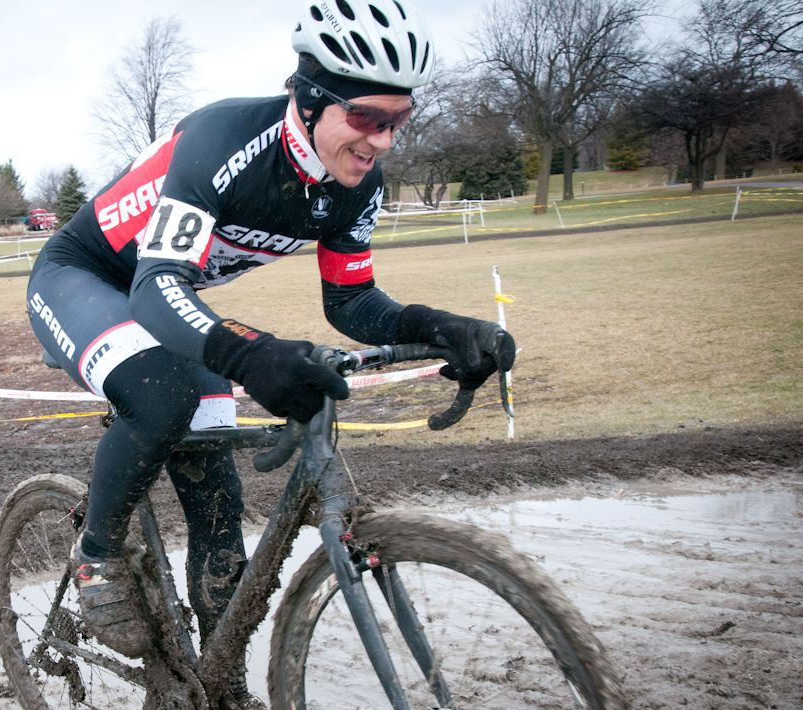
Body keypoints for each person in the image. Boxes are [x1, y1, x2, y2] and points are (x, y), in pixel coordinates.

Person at [26, 0, 515, 664]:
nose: (383, 142)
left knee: (220, 502)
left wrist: (437, 327)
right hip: (85, 278)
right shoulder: (222, 142)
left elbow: (353, 301)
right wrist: (249, 354)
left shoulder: (355, 185)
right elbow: (154, 284)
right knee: (162, 397)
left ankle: (216, 681)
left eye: (399, 120)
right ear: (311, 101)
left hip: (168, 296)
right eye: (368, 119)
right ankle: (98, 557)